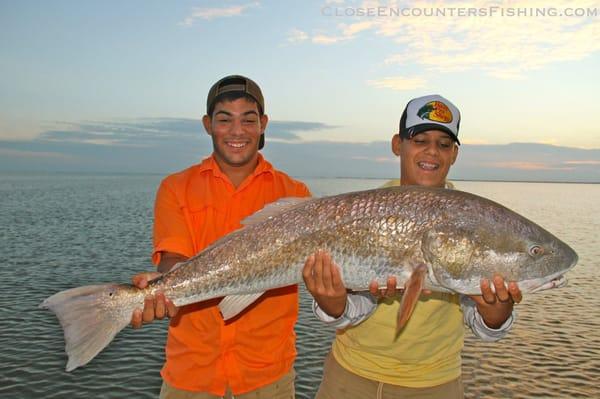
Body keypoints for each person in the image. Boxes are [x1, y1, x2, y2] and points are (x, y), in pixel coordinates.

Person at [302, 95, 523, 399]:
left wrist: (497, 312)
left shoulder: (475, 226)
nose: (432, 151)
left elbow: (483, 324)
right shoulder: (358, 213)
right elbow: (352, 309)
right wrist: (332, 302)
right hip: (350, 377)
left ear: (455, 154)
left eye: (444, 144)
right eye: (420, 139)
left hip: (434, 385)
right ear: (397, 144)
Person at [130, 75, 311, 399]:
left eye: (248, 119)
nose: (237, 131)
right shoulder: (175, 187)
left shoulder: (294, 195)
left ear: (263, 124)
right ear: (207, 124)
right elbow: (173, 259)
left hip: (268, 376)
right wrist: (162, 288)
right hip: (191, 375)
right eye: (224, 119)